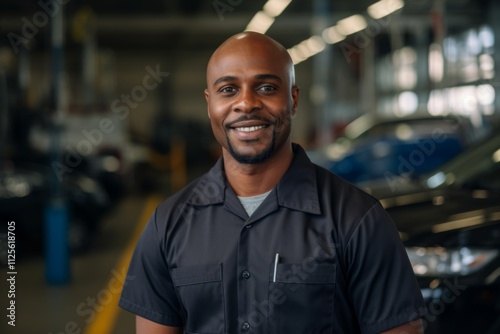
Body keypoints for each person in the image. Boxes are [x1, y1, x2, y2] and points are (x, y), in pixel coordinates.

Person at [119, 31, 426, 334]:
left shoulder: (359, 220)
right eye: (228, 90)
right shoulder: (167, 225)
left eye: (266, 87)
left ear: (293, 99)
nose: (247, 103)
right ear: (209, 103)